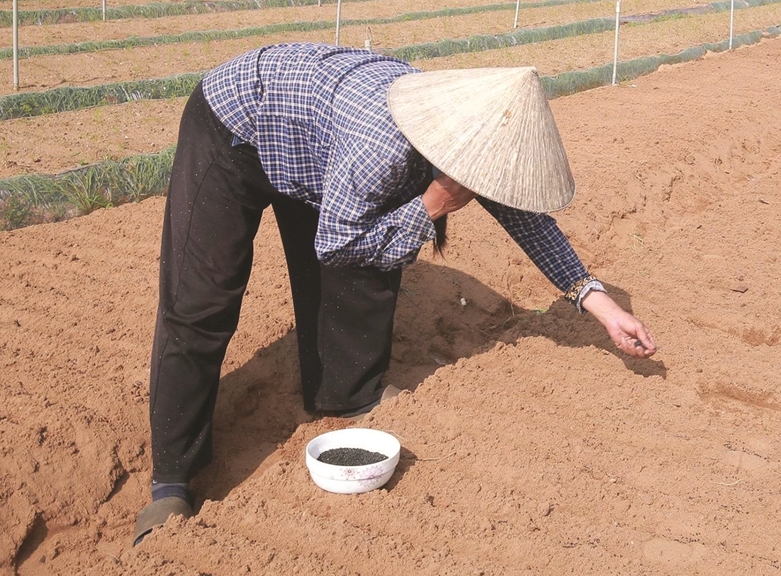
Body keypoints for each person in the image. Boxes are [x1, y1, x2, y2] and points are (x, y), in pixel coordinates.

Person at [136, 43, 657, 545]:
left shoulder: (459, 138)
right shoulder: (380, 145)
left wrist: (599, 302)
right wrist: (430, 204)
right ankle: (172, 478)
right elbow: (336, 243)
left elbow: (525, 218)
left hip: (318, 148)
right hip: (237, 127)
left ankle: (348, 393)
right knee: (201, 301)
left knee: (375, 245)